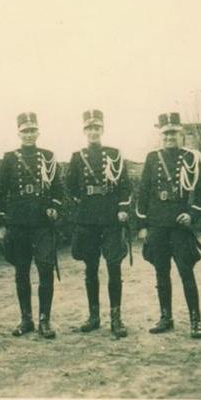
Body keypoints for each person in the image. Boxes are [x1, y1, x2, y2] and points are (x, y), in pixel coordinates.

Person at [135, 112, 201, 338]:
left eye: (174, 133)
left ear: (181, 134)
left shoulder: (191, 157)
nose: (169, 137)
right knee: (161, 272)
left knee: (186, 272)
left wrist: (192, 215)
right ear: (161, 135)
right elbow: (143, 192)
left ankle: (195, 319)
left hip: (179, 224)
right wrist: (142, 224)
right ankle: (166, 317)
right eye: (166, 133)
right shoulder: (152, 158)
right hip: (157, 224)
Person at [0, 112, 64, 339]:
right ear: (19, 133)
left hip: (42, 223)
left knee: (45, 268)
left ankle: (44, 320)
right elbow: (1, 192)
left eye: (32, 130)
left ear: (38, 132)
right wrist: (2, 223)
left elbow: (57, 188)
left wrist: (54, 206)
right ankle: (26, 319)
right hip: (18, 222)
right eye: (25, 131)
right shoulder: (9, 158)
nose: (29, 135)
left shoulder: (48, 156)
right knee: (21, 270)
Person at [66, 109, 132, 339]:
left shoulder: (114, 154)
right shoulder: (77, 156)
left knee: (114, 267)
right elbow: (70, 186)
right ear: (84, 131)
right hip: (88, 219)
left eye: (97, 128)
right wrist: (83, 203)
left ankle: (116, 318)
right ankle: (94, 317)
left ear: (102, 129)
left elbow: (125, 185)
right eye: (89, 128)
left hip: (110, 217)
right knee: (90, 268)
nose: (93, 132)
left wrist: (122, 209)